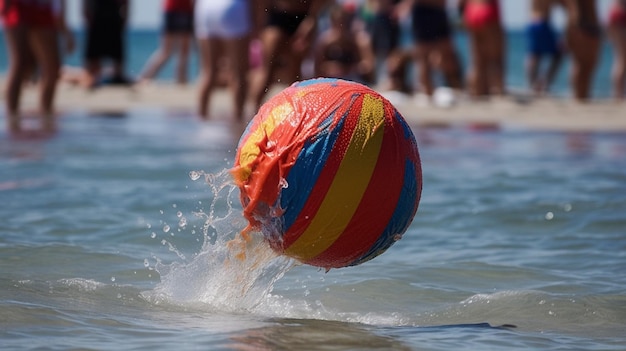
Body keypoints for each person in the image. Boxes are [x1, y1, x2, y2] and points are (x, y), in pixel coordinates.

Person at [1, 0, 74, 135]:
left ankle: (46, 116)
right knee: (20, 63)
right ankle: (12, 121)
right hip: (18, 4)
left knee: (53, 68)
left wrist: (65, 30)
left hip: (43, 6)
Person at [253, 0, 332, 109]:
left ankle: (295, 113)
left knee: (295, 72)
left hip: (303, 16)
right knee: (267, 70)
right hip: (277, 16)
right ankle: (253, 113)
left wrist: (312, 18)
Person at [195, 0, 256, 121]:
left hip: (205, 8)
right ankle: (237, 121)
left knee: (208, 73)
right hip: (232, 7)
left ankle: (200, 121)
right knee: (238, 73)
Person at [399, 0, 463, 98]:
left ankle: (455, 88)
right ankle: (428, 92)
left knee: (447, 54)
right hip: (424, 13)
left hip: (438, 12)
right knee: (423, 56)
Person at [313, 2, 375, 83]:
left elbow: (368, 67)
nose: (341, 27)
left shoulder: (359, 41)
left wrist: (347, 69)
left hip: (354, 80)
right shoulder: (325, 42)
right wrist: (328, 67)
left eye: (343, 23)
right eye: (337, 23)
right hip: (330, 81)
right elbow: (317, 69)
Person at [138, 0, 194, 85]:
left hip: (182, 9)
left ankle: (181, 79)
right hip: (175, 8)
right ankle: (145, 77)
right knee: (168, 51)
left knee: (182, 51)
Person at [459, 0, 505, 97]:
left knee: (477, 61)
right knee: (495, 58)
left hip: (471, 11)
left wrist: (462, 16)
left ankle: (477, 91)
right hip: (487, 8)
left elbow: (460, 3)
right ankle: (499, 91)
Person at [83, 0, 132, 88]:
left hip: (113, 14)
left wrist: (126, 14)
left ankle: (109, 76)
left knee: (117, 67)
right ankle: (94, 76)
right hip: (97, 14)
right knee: (92, 68)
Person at [560, 0, 601, 101]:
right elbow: (574, 12)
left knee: (582, 66)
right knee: (583, 67)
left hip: (584, 27)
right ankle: (580, 97)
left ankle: (580, 97)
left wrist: (568, 34)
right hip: (584, 26)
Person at [526, 0, 564, 95]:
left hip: (532, 22)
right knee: (558, 54)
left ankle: (534, 85)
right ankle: (544, 83)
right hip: (543, 23)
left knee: (534, 55)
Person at [607, 0, 626, 100]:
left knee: (619, 59)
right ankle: (619, 94)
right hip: (621, 14)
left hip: (614, 13)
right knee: (622, 60)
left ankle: (617, 93)